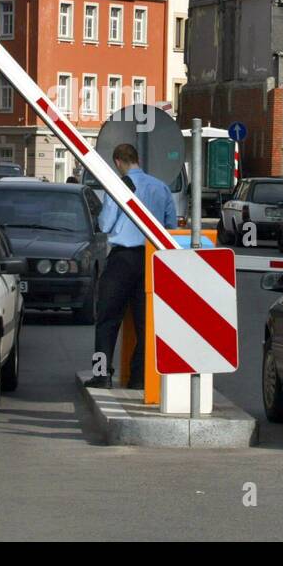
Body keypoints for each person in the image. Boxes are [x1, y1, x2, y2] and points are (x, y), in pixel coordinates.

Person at [85, 144, 176, 391]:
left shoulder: (118, 188)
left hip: (122, 260)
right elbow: (171, 225)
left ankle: (102, 374)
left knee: (107, 319)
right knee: (146, 322)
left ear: (117, 162)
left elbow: (104, 225)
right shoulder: (161, 188)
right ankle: (139, 377)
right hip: (152, 258)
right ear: (137, 159)